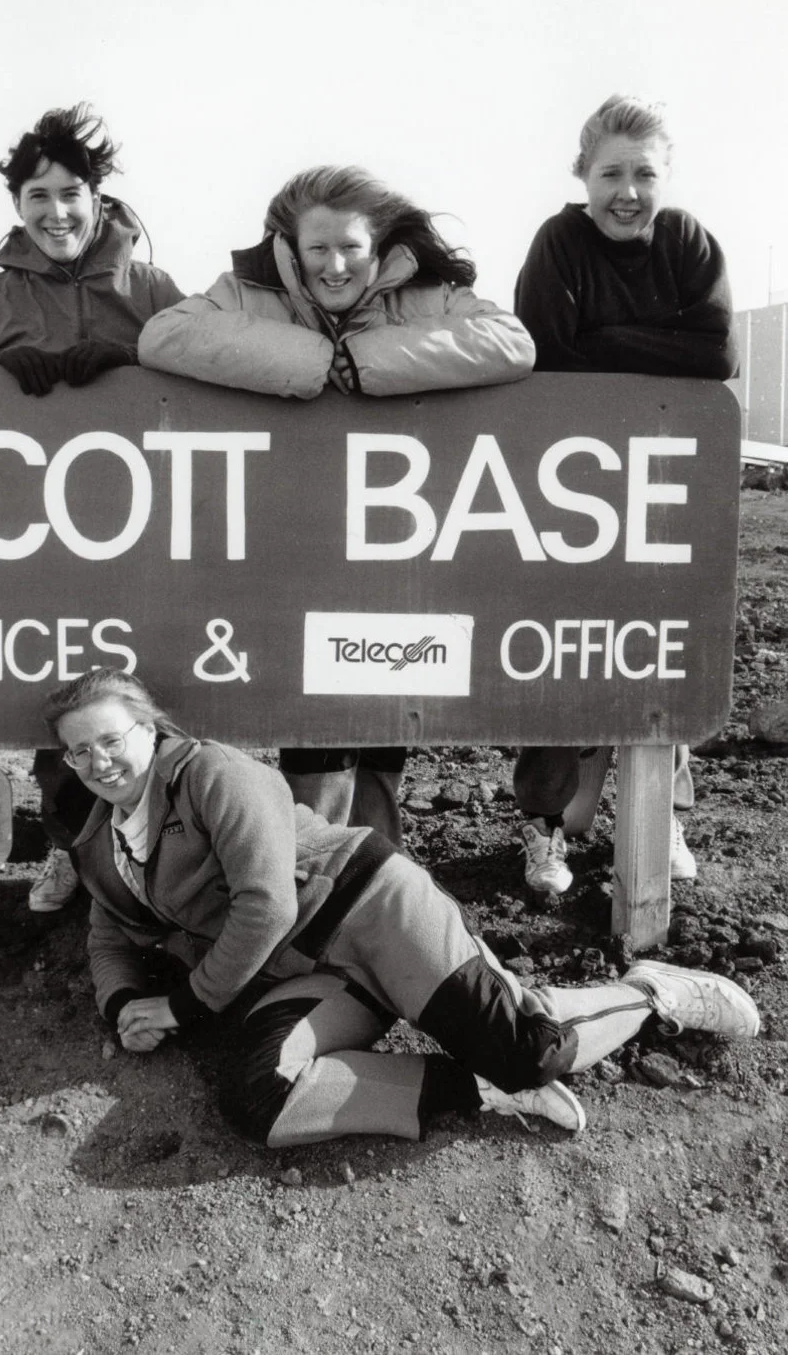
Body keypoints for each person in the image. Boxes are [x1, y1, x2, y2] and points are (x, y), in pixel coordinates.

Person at [42, 667, 760, 1148]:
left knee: (533, 1051)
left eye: (112, 739)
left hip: (371, 913)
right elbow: (108, 931)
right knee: (256, 1097)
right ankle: (478, 1088)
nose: (100, 761)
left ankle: (652, 992)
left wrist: (183, 1008)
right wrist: (125, 1005)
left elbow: (262, 907)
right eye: (81, 753)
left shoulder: (212, 774)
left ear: (150, 729)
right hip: (310, 973)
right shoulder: (102, 838)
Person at [138, 165, 536, 843]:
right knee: (314, 724)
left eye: (351, 246)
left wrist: (369, 361)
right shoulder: (246, 292)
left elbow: (511, 341)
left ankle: (376, 877)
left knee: (382, 710)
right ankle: (310, 882)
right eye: (318, 248)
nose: (335, 264)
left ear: (377, 246)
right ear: (291, 247)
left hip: (392, 547)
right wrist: (313, 361)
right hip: (286, 549)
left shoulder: (428, 296)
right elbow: (163, 337)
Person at [0, 104, 184, 911]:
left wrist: (133, 356)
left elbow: (203, 374)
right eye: (38, 195)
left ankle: (167, 861)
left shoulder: (151, 286)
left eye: (71, 192)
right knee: (63, 692)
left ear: (98, 196)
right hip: (40, 537)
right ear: (17, 205)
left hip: (144, 531)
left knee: (150, 697)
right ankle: (68, 852)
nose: (57, 212)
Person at [511, 95, 738, 896]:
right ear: (584, 174)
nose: (629, 191)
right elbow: (546, 354)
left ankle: (659, 818)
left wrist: (604, 342)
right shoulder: (559, 242)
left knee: (658, 649)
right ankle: (545, 830)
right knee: (561, 651)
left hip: (661, 488)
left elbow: (717, 351)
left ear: (666, 175)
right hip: (567, 489)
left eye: (645, 173)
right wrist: (653, 351)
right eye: (612, 173)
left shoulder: (687, 243)